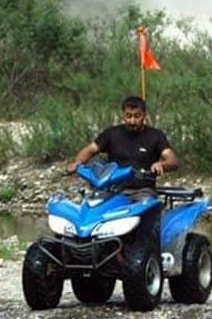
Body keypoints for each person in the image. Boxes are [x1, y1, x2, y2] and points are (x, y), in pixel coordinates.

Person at [67, 96, 178, 239]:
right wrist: (77, 163)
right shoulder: (112, 134)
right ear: (123, 115)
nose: (132, 121)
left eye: (137, 116)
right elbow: (90, 150)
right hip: (113, 191)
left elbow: (173, 160)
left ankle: (150, 249)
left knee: (147, 222)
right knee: (91, 215)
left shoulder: (155, 136)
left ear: (144, 115)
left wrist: (161, 164)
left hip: (141, 191)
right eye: (128, 116)